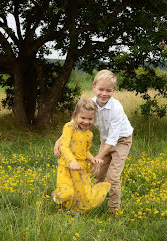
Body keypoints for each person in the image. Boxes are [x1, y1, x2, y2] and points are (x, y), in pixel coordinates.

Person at [54, 70, 133, 216]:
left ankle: (113, 211)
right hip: (105, 140)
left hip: (121, 140)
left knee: (113, 177)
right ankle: (91, 203)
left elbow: (113, 138)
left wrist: (97, 158)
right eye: (101, 89)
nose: (104, 93)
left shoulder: (116, 108)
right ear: (94, 87)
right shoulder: (91, 103)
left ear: (114, 90)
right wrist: (59, 141)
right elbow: (73, 122)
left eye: (108, 90)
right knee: (98, 175)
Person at [52, 98, 111, 214]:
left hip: (81, 168)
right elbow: (64, 145)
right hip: (67, 167)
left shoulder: (89, 134)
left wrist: (92, 159)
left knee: (82, 193)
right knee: (68, 192)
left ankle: (72, 211)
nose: (86, 122)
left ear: (94, 119)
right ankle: (56, 197)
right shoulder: (69, 127)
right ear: (75, 115)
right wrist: (71, 161)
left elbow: (85, 152)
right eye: (83, 118)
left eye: (90, 119)